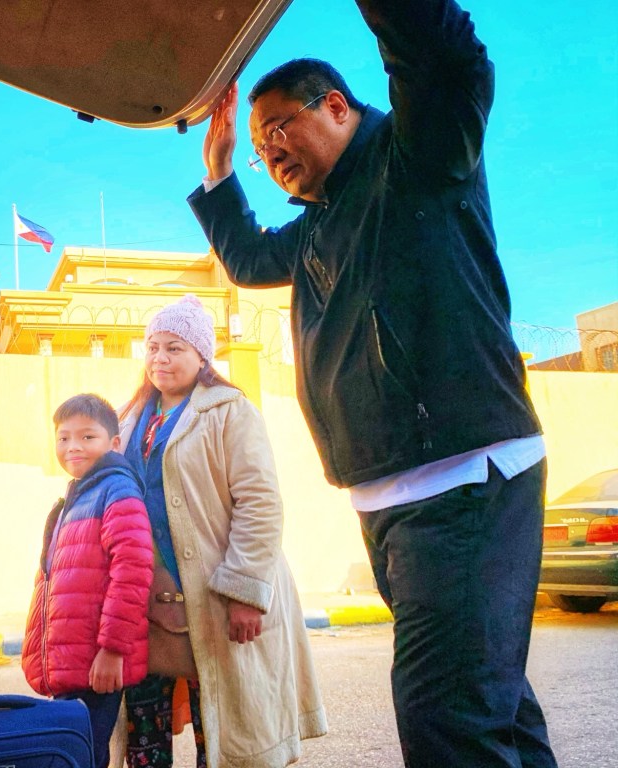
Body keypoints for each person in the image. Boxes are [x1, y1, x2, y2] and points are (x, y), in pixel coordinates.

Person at [186, 1, 556, 766]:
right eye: (260, 148)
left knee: (447, 722)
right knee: (493, 711)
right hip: (390, 503)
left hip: (463, 483)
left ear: (335, 105)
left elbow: (445, 62)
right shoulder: (319, 225)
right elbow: (249, 260)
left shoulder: (415, 155)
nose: (270, 151)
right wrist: (220, 173)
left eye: (278, 128)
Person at [118, 295, 326, 768]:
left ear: (202, 356)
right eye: (152, 347)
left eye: (174, 348)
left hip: (215, 601)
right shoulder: (129, 418)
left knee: (222, 736)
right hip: (146, 608)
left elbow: (260, 503)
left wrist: (244, 591)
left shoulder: (231, 412)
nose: (160, 358)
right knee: (143, 742)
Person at [21, 393, 154, 768]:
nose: (73, 447)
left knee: (81, 758)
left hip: (96, 666)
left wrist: (112, 650)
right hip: (73, 664)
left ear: (114, 443)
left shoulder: (116, 491)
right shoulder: (77, 496)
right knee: (76, 756)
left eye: (87, 437)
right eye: (63, 438)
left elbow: (132, 571)